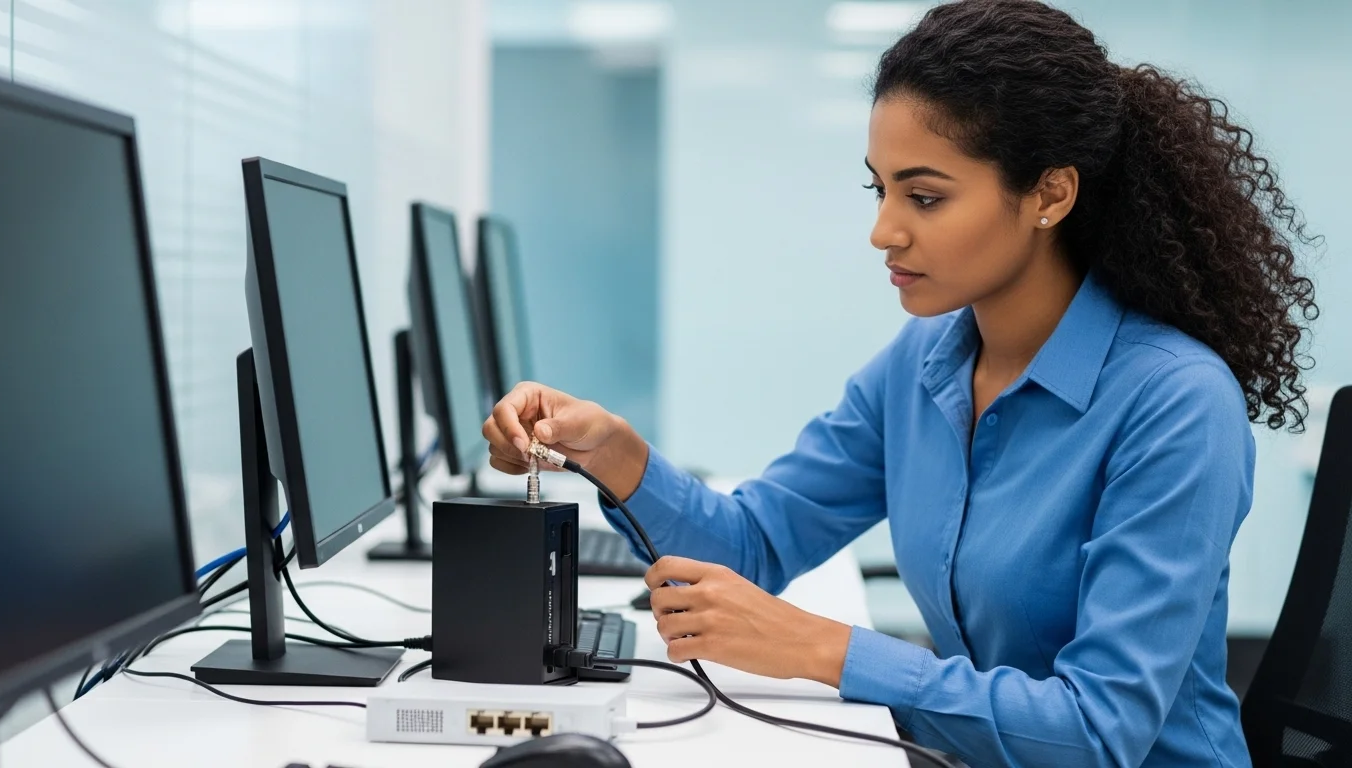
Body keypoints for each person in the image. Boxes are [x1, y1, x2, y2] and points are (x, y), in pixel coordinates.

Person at [483, 1, 1318, 765]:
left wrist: (821, 648)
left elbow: (1098, 732)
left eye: (924, 196)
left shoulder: (1174, 402)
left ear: (1050, 194)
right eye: (880, 190)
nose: (883, 231)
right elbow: (752, 547)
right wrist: (617, 454)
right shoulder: (922, 368)